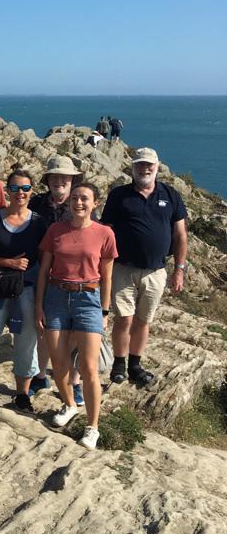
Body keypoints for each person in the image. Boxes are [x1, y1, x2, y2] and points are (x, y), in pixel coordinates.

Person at [36, 183, 117, 450]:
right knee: (58, 364)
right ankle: (70, 404)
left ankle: (92, 427)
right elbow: (44, 270)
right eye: (74, 198)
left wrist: (104, 311)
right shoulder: (56, 230)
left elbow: (107, 276)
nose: (78, 202)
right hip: (56, 297)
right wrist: (39, 305)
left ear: (95, 203)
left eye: (84, 198)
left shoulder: (104, 233)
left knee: (89, 368)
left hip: (88, 299)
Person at [101, 147, 187, 387]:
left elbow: (180, 235)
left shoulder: (170, 195)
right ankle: (119, 364)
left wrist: (179, 269)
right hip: (123, 268)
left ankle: (135, 365)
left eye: (149, 165)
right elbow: (106, 231)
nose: (145, 169)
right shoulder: (119, 195)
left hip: (156, 271)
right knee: (124, 319)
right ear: (133, 168)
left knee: (143, 320)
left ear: (157, 167)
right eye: (140, 164)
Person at [0, 170, 48, 413]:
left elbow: (45, 262)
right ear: (7, 191)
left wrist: (41, 301)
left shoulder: (38, 223)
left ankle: (22, 394)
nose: (20, 193)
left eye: (25, 188)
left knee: (26, 344)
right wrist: (9, 263)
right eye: (14, 188)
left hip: (26, 291)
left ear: (31, 191)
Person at [27, 155, 81, 396]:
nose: (60, 180)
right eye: (55, 176)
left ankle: (74, 381)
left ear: (72, 180)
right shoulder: (36, 204)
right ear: (48, 180)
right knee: (43, 327)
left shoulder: (81, 205)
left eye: (65, 177)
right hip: (41, 272)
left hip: (74, 276)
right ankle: (40, 375)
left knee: (75, 331)